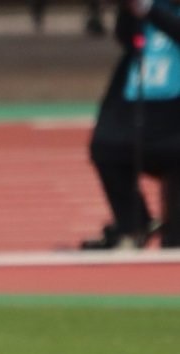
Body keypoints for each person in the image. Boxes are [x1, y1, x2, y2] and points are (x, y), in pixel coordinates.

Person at [84, 0, 180, 249]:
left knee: (175, 245)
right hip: (139, 112)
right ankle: (134, 222)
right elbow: (125, 36)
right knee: (106, 148)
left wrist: (150, 9)